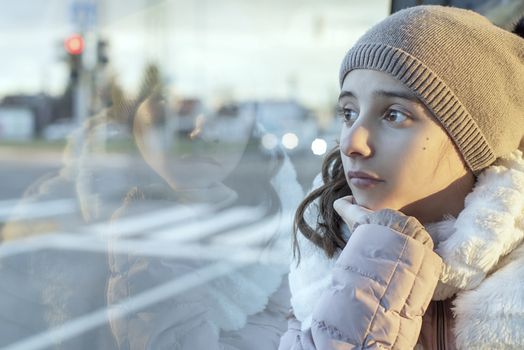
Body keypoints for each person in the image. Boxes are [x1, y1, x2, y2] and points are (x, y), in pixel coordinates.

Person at [279, 5, 524, 350]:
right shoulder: (321, 267)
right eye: (349, 112)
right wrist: (380, 262)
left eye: (394, 114)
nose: (351, 143)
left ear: (479, 143)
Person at [106, 90, 304, 349]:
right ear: (137, 136)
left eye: (224, 114)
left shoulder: (285, 221)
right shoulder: (144, 244)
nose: (200, 131)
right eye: (172, 116)